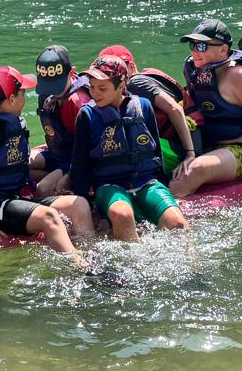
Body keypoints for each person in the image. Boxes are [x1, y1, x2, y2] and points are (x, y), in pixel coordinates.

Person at [0, 66, 93, 260]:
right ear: (11, 99)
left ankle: (91, 254)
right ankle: (82, 267)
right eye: (22, 93)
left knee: (80, 205)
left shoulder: (13, 120)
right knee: (49, 217)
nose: (25, 97)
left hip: (17, 197)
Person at [71, 56, 188, 242]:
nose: (95, 93)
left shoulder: (144, 106)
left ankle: (188, 262)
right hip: (109, 185)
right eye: (91, 87)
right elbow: (80, 163)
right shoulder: (87, 115)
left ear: (121, 85)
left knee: (178, 224)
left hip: (146, 182)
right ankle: (135, 258)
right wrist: (88, 206)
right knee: (123, 215)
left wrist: (164, 186)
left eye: (102, 88)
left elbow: (155, 152)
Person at [169, 18, 242, 197]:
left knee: (194, 170)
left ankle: (170, 209)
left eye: (202, 46)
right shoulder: (194, 71)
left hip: (241, 152)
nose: (194, 51)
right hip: (207, 145)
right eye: (192, 45)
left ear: (223, 49)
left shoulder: (239, 76)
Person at [106, 48, 198, 179]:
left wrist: (190, 154)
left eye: (118, 70)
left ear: (131, 67)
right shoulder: (143, 79)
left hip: (182, 148)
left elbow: (175, 109)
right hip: (191, 141)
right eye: (107, 73)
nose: (113, 76)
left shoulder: (136, 83)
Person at [28, 44, 91, 196]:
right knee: (21, 164)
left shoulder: (77, 103)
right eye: (48, 85)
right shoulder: (47, 94)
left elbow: (88, 152)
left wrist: (69, 175)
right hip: (58, 153)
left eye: (56, 85)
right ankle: (54, 179)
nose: (52, 91)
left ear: (72, 73)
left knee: (42, 189)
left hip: (75, 161)